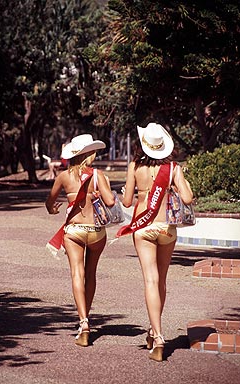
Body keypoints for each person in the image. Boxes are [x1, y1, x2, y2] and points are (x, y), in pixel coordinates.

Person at [117, 122, 193, 362]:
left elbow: (127, 203)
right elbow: (188, 198)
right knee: (161, 280)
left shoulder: (135, 166)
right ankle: (154, 330)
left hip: (144, 228)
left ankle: (158, 336)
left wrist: (126, 193)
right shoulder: (173, 168)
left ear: (144, 145)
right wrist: (178, 179)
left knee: (150, 280)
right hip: (166, 229)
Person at [45, 134, 115, 347]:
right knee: (90, 274)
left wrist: (54, 208)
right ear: (89, 154)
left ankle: (83, 322)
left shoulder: (64, 176)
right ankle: (87, 315)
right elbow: (111, 202)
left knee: (77, 273)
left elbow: (49, 204)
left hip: (74, 231)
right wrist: (101, 194)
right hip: (95, 231)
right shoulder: (98, 175)